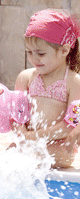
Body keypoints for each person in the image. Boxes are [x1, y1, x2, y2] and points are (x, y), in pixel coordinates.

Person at [12, 9, 80, 168]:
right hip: (28, 142)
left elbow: (69, 125)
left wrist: (30, 137)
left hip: (60, 146)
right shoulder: (25, 78)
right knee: (9, 156)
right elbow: (16, 116)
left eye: (41, 54)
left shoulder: (73, 82)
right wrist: (21, 133)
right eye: (29, 52)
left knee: (41, 155)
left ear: (64, 50)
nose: (33, 59)